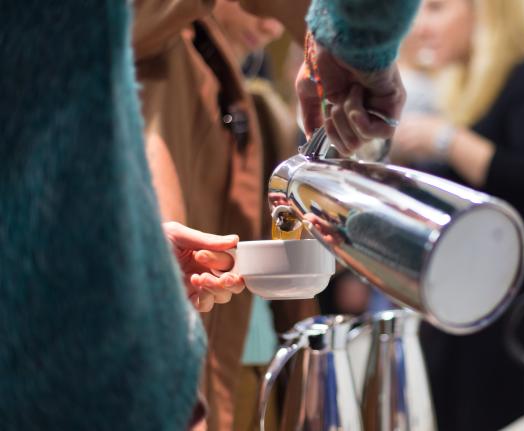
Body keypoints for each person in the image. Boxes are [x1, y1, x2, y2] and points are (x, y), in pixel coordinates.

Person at [1, 0, 419, 428]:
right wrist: (346, 40)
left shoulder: (249, 104)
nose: (270, 26)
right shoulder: (157, 46)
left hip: (222, 369)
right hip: (138, 376)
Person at [392, 0, 524, 428]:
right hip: (461, 299)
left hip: (506, 304)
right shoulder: (468, 88)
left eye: (436, 7)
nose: (420, 24)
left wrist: (447, 140)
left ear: (486, 12)